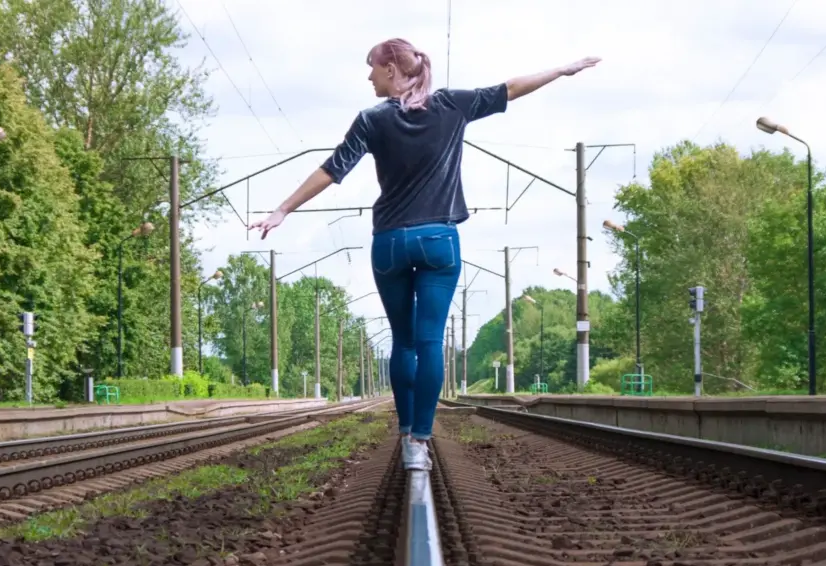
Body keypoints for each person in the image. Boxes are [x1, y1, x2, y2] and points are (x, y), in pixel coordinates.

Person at [248, 38, 601, 471]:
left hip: (391, 243)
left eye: (372, 68)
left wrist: (282, 209)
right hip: (439, 240)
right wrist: (562, 70)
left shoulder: (371, 120)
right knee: (431, 342)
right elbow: (510, 88)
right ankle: (420, 440)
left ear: (393, 69)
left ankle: (404, 434)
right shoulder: (451, 105)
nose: (369, 76)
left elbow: (331, 170)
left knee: (404, 341)